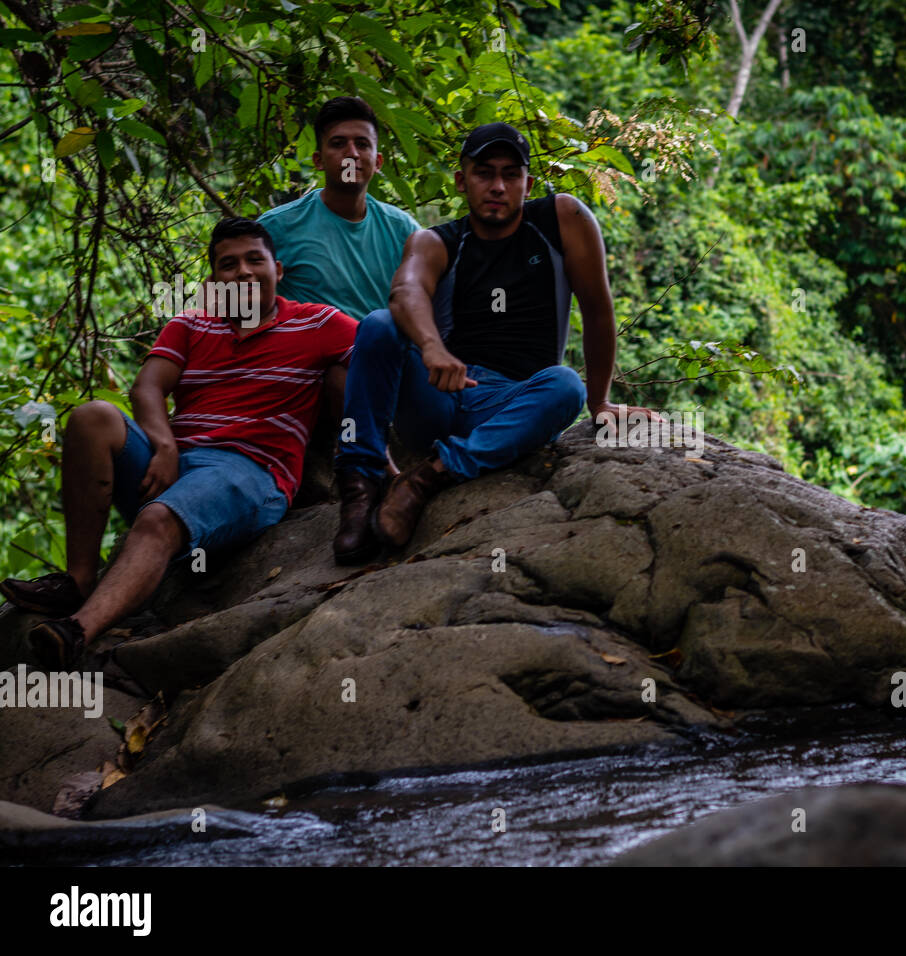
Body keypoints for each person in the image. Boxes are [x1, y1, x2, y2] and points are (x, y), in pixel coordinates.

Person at [0, 218, 358, 670]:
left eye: (255, 260)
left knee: (157, 519)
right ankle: (79, 578)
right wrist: (165, 447)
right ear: (213, 280)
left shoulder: (319, 322)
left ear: (278, 269)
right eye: (228, 265)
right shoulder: (192, 325)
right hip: (173, 462)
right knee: (92, 416)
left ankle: (75, 631)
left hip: (249, 472)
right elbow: (147, 388)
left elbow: (381, 356)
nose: (244, 272)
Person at [331, 122, 659, 564]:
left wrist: (600, 402)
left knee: (566, 386)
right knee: (377, 324)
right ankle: (361, 486)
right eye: (484, 173)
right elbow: (406, 292)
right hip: (442, 394)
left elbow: (598, 310)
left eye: (511, 174)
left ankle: (430, 477)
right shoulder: (436, 240)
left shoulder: (563, 219)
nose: (498, 186)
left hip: (513, 402)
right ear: (462, 181)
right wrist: (432, 347)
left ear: (528, 182)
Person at [258, 96, 420, 323]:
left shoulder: (403, 230)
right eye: (338, 143)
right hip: (305, 355)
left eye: (362, 145)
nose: (352, 154)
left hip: (383, 353)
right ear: (318, 160)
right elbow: (224, 297)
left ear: (378, 162)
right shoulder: (275, 227)